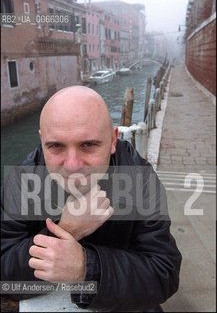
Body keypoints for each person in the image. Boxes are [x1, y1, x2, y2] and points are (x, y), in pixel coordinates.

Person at [1, 86, 182, 312]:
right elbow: (6, 276)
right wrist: (66, 229)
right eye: (56, 146)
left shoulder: (140, 178)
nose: (73, 165)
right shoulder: (21, 181)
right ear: (42, 140)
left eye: (88, 145)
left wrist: (86, 268)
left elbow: (164, 273)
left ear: (113, 140)